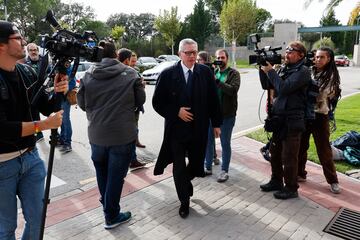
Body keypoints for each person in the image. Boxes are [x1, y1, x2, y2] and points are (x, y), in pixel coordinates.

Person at [0, 20, 68, 239]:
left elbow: (47, 106)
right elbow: (2, 129)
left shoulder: (26, 72)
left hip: (31, 159)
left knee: (38, 219)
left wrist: (60, 91)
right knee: (5, 229)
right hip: (2, 165)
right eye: (18, 37)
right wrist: (42, 125)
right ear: (1, 45)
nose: (24, 42)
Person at [77, 41, 145, 229]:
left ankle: (106, 201)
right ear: (116, 54)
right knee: (116, 177)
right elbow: (140, 100)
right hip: (122, 135)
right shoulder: (131, 73)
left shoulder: (88, 75)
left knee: (102, 172)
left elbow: (82, 104)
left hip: (97, 135)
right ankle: (111, 215)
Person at [152, 38, 222, 218]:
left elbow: (214, 99)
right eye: (188, 53)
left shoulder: (205, 72)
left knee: (196, 163)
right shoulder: (168, 74)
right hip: (176, 130)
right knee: (178, 166)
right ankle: (184, 201)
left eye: (194, 53)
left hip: (198, 128)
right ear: (179, 54)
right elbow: (157, 102)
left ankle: (185, 182)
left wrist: (216, 123)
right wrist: (176, 111)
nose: (192, 56)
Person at [259, 41, 311, 200]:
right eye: (286, 51)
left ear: (301, 55)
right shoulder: (284, 69)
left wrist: (272, 72)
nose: (286, 54)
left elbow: (283, 88)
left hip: (293, 120)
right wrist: (263, 69)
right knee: (275, 153)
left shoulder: (303, 71)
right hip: (279, 119)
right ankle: (276, 181)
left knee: (289, 156)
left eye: (291, 51)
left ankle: (291, 188)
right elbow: (267, 86)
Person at [297, 47, 341, 194]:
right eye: (316, 57)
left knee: (324, 150)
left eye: (322, 57)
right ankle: (300, 173)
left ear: (329, 59)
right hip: (306, 114)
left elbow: (320, 94)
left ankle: (333, 180)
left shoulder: (332, 76)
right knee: (301, 146)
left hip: (320, 116)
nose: (317, 60)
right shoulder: (309, 70)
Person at [204, 49, 240, 182]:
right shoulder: (213, 72)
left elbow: (233, 90)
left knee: (225, 143)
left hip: (227, 115)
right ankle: (207, 167)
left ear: (227, 59)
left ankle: (224, 171)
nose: (220, 59)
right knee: (208, 141)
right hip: (212, 114)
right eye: (218, 57)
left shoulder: (233, 73)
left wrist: (217, 82)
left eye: (222, 57)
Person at [117, 48, 146, 170]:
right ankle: (132, 160)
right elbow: (140, 97)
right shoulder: (128, 73)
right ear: (127, 60)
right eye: (131, 60)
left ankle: (129, 159)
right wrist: (141, 86)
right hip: (129, 109)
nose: (133, 63)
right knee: (130, 135)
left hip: (121, 110)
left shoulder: (114, 72)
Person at [196, 51, 220, 166]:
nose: (197, 62)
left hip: (210, 110)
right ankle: (209, 158)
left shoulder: (210, 71)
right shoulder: (197, 71)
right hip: (201, 110)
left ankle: (212, 157)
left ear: (204, 60)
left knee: (210, 137)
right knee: (207, 137)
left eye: (199, 60)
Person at [25, 42, 45, 142]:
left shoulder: (44, 61)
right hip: (32, 95)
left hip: (45, 92)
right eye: (31, 50)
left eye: (35, 50)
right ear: (28, 52)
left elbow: (51, 73)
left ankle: (56, 134)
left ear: (38, 50)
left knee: (51, 114)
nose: (33, 52)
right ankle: (38, 133)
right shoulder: (24, 63)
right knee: (34, 117)